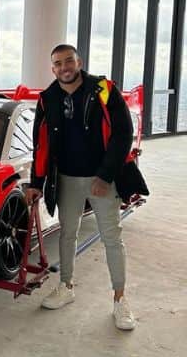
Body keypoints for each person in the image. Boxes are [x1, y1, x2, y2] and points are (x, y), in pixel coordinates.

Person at [25, 44, 134, 329]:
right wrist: (37, 183)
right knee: (67, 234)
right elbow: (41, 144)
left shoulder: (103, 89)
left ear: (79, 61)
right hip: (66, 179)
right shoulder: (47, 99)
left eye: (69, 61)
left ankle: (120, 300)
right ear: (53, 69)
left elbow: (124, 134)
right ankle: (66, 286)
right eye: (58, 63)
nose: (64, 67)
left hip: (101, 180)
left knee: (112, 237)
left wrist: (106, 175)